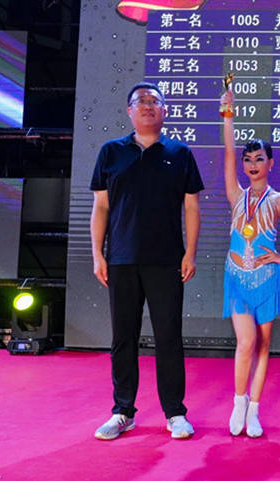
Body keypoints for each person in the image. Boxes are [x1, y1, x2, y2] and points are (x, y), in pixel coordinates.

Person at [90, 82, 203, 440]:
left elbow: (191, 207)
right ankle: (122, 411)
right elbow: (101, 207)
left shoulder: (180, 153)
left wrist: (190, 252)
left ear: (165, 111)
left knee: (168, 336)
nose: (148, 106)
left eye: (155, 101)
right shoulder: (111, 152)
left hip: (166, 260)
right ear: (129, 111)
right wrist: (97, 254)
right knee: (123, 337)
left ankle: (175, 412)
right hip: (121, 259)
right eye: (141, 101)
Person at [219, 91, 280, 437]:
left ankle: (254, 409)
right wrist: (228, 114)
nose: (252, 164)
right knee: (245, 342)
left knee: (262, 345)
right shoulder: (236, 194)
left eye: (259, 159)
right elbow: (228, 153)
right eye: (248, 159)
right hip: (236, 278)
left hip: (266, 280)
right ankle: (239, 402)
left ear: (270, 163)